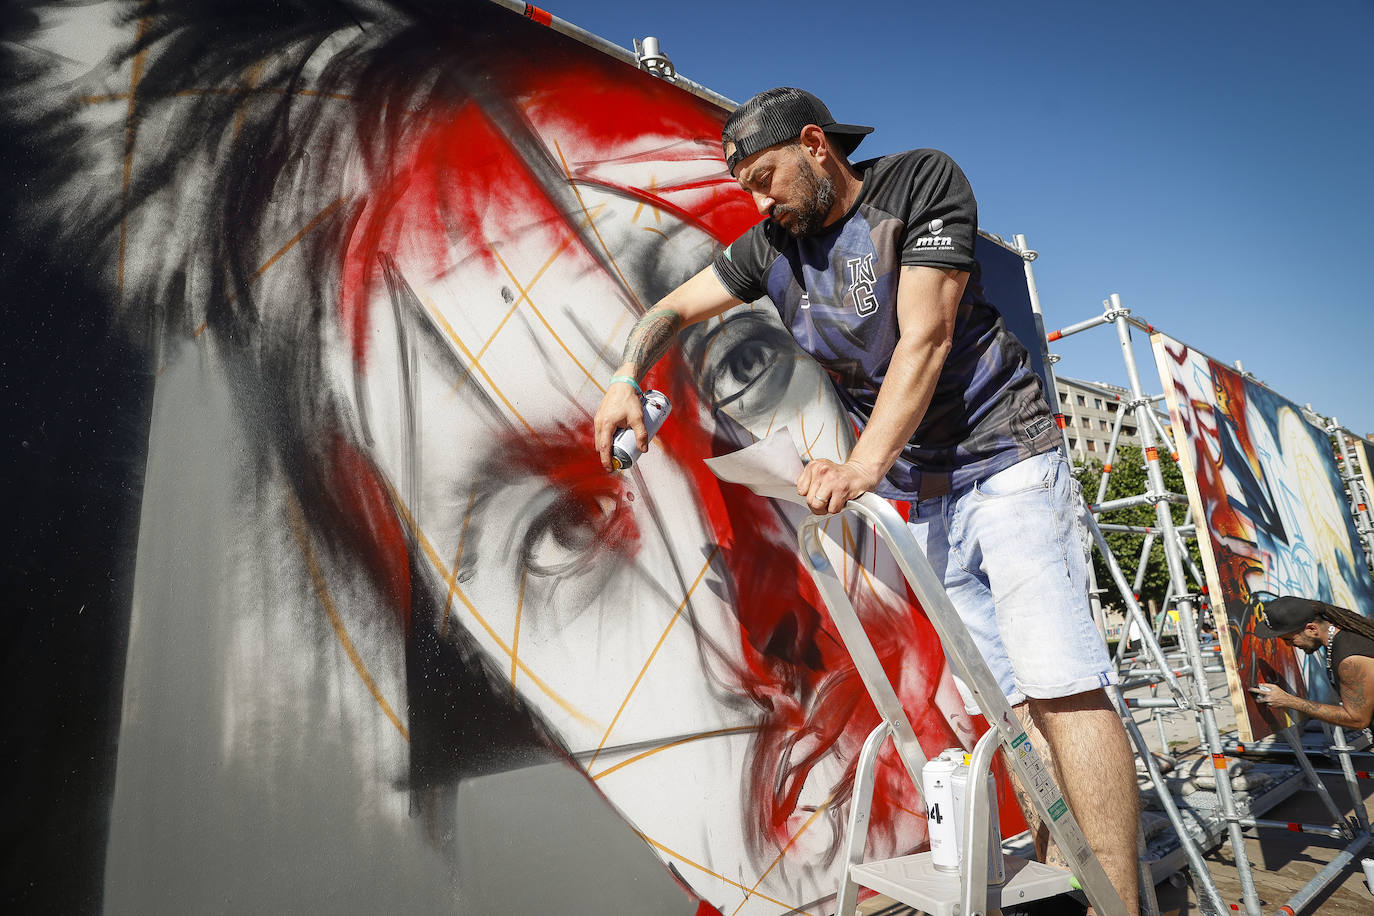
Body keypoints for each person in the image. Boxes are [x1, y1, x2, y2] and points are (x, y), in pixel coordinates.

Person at [594, 86, 1140, 914]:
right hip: (921, 491)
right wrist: (625, 379)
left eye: (769, 176)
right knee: (1013, 697)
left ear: (817, 144)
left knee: (1062, 679)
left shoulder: (916, 184)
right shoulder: (768, 246)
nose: (759, 200)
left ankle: (1122, 904)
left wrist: (858, 466)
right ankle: (1076, 879)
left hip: (1004, 455)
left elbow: (927, 337)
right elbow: (672, 309)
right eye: (747, 186)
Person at [1249, 596, 1374, 730]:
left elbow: (1357, 720)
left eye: (1289, 639)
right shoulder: (1344, 632)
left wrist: (1288, 700)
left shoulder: (1350, 660)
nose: (1289, 645)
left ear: (1312, 629)